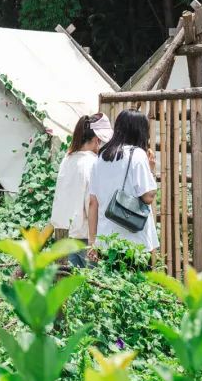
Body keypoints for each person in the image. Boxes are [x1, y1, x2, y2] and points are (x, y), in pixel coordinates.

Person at [87, 109, 158, 261]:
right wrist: (151, 171)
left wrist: (93, 242)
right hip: (134, 243)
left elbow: (93, 203)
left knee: (107, 284)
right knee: (137, 283)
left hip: (106, 241)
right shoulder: (138, 155)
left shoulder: (100, 158)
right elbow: (148, 196)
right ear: (140, 131)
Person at [50, 113, 113, 267]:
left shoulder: (68, 159)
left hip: (63, 235)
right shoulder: (92, 163)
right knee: (91, 285)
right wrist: (93, 242)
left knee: (67, 286)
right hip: (84, 237)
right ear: (97, 140)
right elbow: (91, 203)